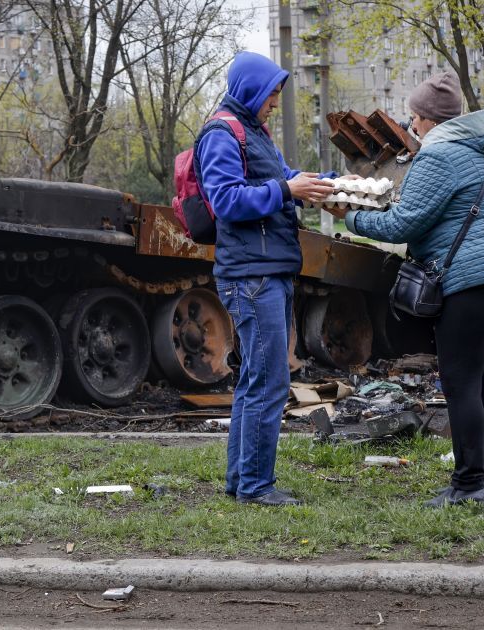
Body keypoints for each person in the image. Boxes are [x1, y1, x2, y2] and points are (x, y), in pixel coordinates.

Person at [323, 73, 484, 508]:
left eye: (415, 117)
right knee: (478, 381)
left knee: (460, 383)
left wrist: (352, 218)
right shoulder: (479, 156)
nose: (412, 125)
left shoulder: (437, 157)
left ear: (429, 120)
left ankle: (468, 485)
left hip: (475, 280)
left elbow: (404, 225)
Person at [196, 52, 338, 507]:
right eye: (272, 94)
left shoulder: (253, 131)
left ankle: (243, 482)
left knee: (257, 381)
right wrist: (286, 190)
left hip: (267, 271)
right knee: (270, 382)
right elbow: (226, 200)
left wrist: (324, 184)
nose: (276, 103)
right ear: (251, 91)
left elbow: (282, 177)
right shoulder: (221, 133)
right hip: (250, 276)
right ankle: (257, 487)